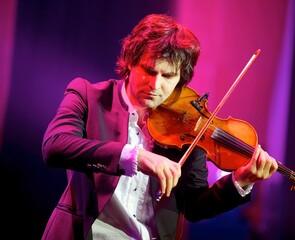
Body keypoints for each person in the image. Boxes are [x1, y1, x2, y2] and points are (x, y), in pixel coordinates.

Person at [41, 13, 278, 240]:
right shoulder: (89, 96)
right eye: (149, 70)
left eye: (168, 76)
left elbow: (195, 207)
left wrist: (241, 181)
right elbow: (55, 147)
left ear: (180, 80)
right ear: (131, 62)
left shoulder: (188, 126)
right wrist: (137, 157)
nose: (156, 84)